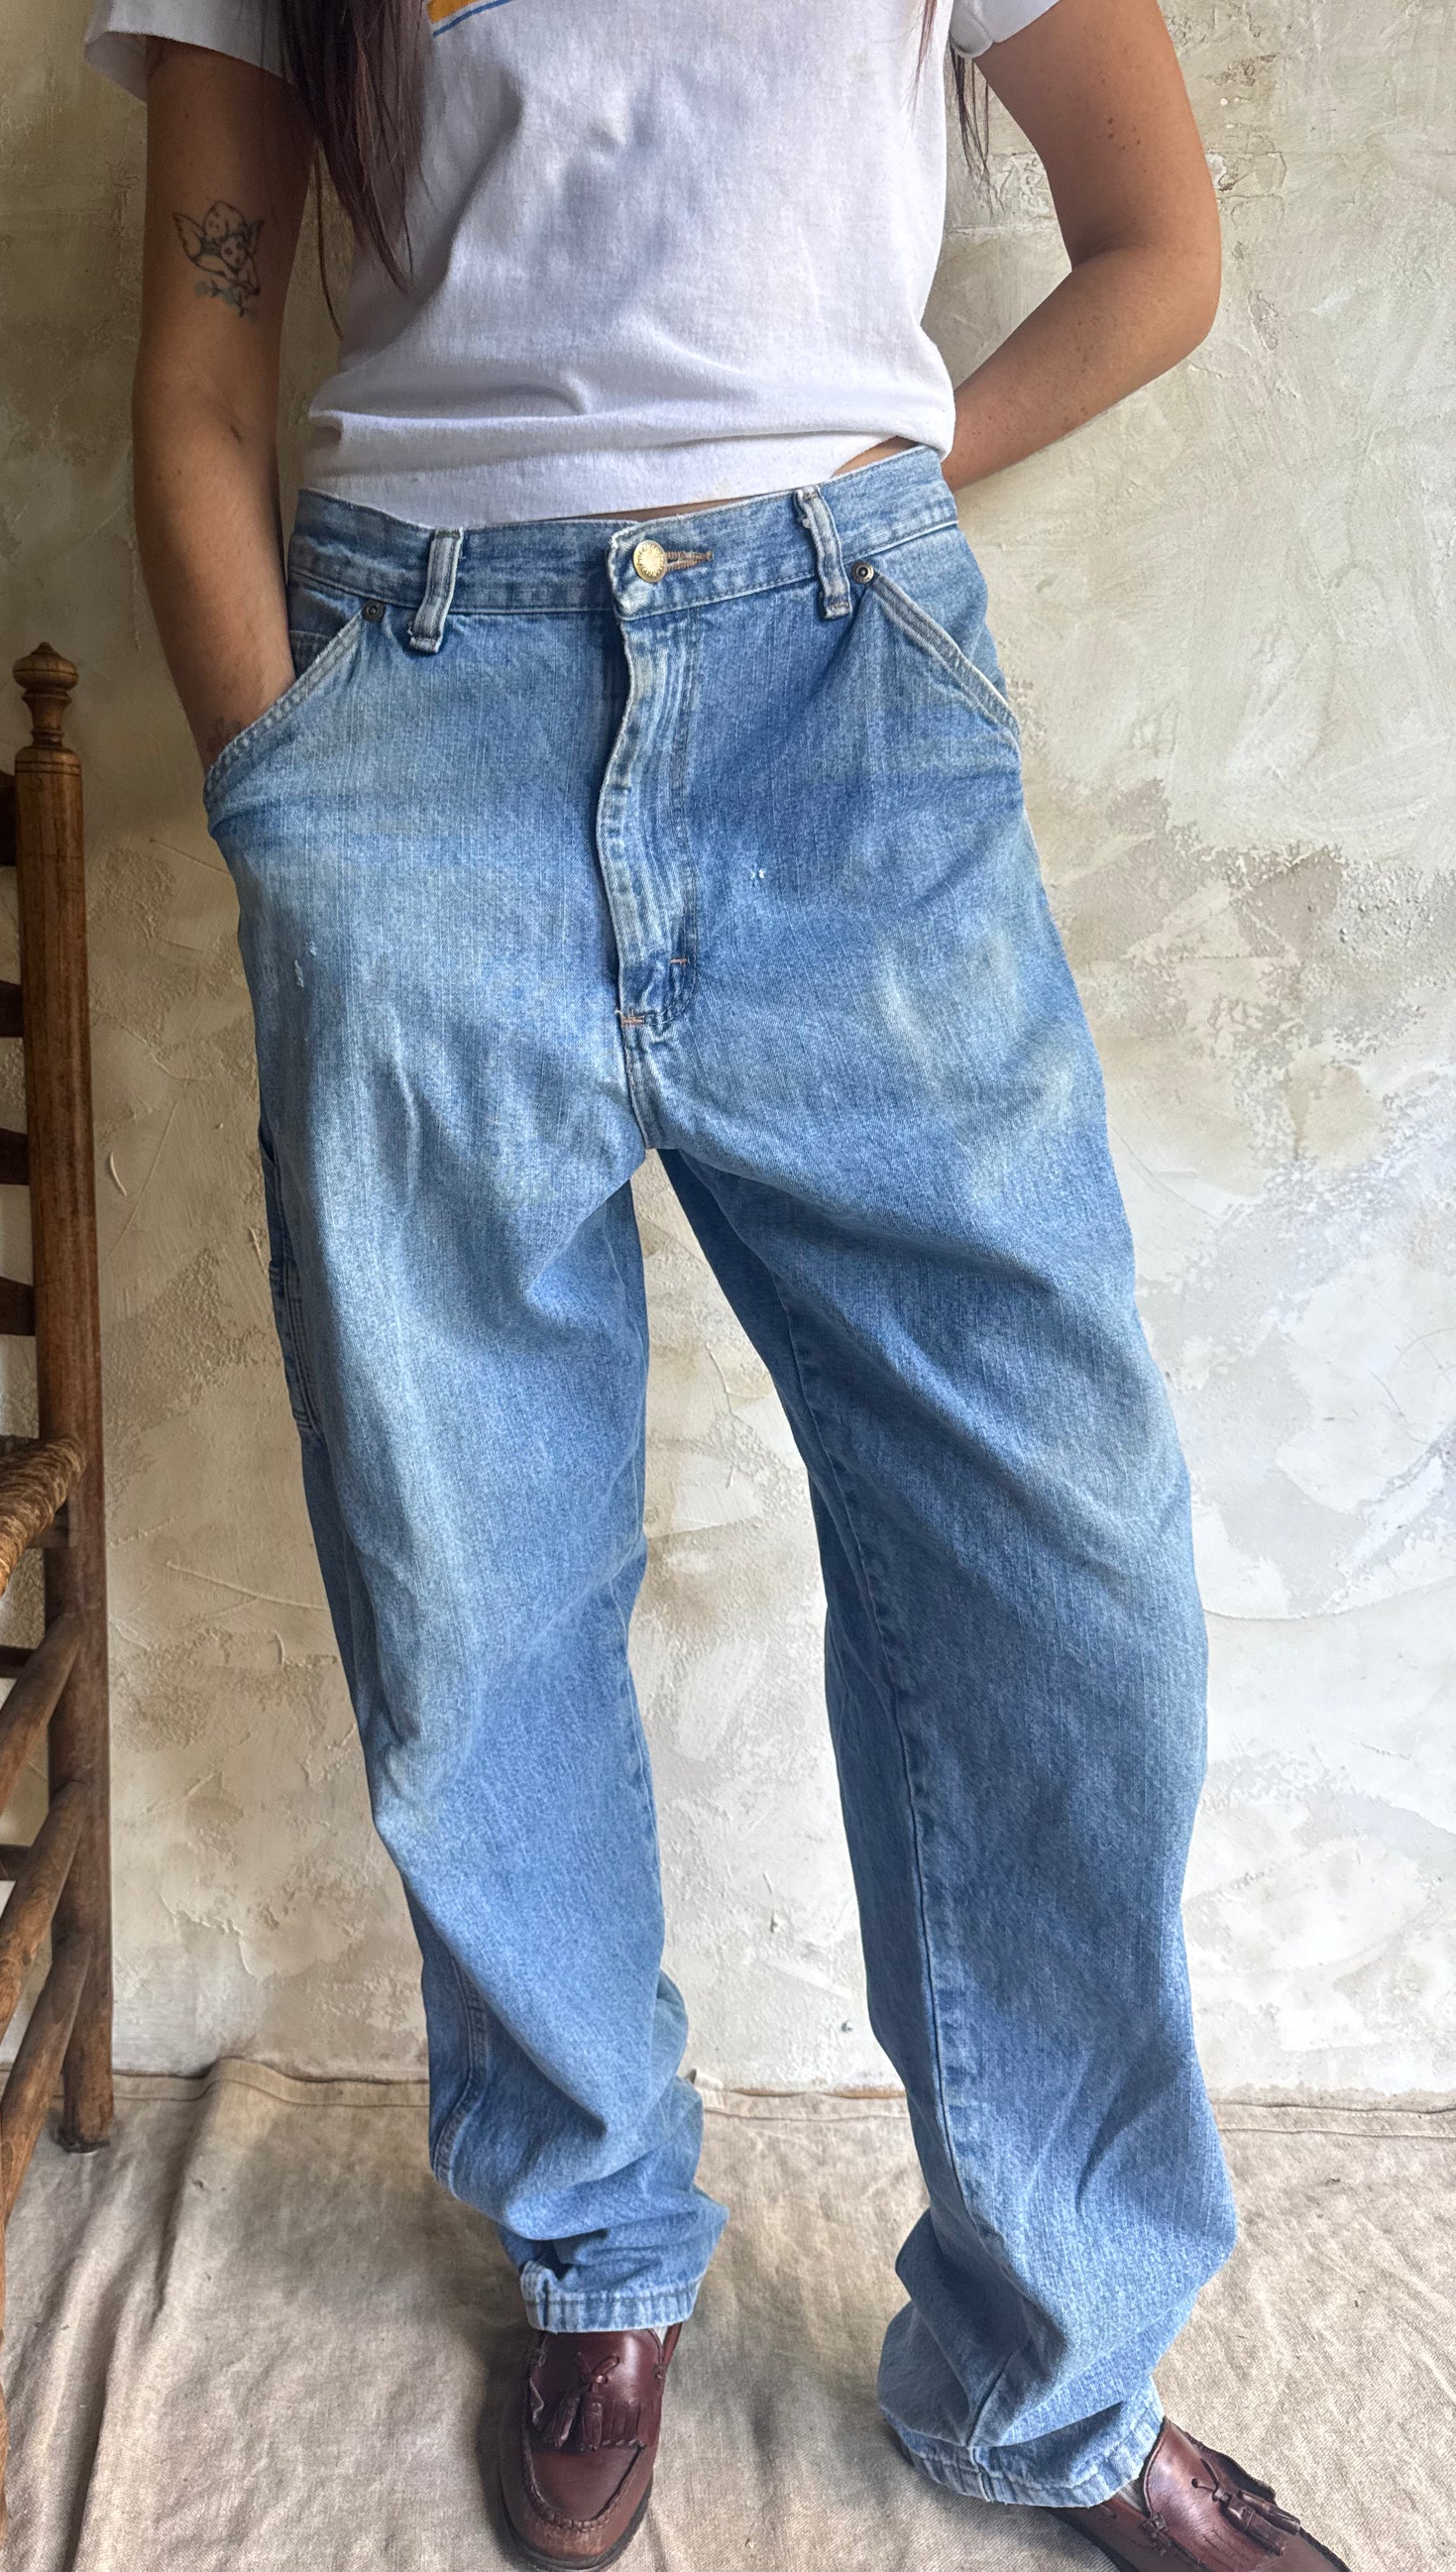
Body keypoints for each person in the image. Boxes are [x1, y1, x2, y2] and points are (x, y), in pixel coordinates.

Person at [82, 3, 1350, 2564]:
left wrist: (865, 495)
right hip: (413, 713)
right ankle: (594, 2243)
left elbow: (1156, 248)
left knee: (1056, 1563)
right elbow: (199, 365)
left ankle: (1054, 2370)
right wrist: (287, 800)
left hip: (842, 705)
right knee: (466, 1584)